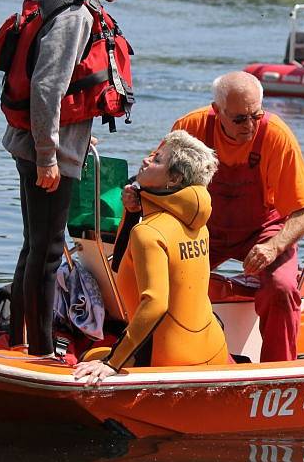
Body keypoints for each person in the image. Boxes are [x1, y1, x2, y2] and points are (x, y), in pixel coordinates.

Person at [3, 0, 153, 356]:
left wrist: (73, 140)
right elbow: (48, 86)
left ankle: (19, 338)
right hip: (44, 151)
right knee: (47, 251)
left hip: (40, 143)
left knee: (36, 244)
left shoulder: (61, 0)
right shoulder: (76, 13)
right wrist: (50, 155)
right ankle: (41, 352)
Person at [170, 71, 304, 362]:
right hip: (202, 228)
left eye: (256, 116)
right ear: (217, 111)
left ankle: (278, 373)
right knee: (165, 278)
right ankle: (181, 357)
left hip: (263, 231)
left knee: (282, 288)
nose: (249, 126)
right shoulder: (190, 128)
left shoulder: (276, 134)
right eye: (239, 119)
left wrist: (274, 245)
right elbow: (159, 181)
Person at [73, 131, 229, 383]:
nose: (146, 160)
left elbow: (155, 304)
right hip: (212, 348)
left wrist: (113, 363)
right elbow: (124, 260)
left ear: (174, 178)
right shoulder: (199, 223)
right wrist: (134, 210)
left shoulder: (149, 233)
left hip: (168, 358)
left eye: (157, 160)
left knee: (89, 356)